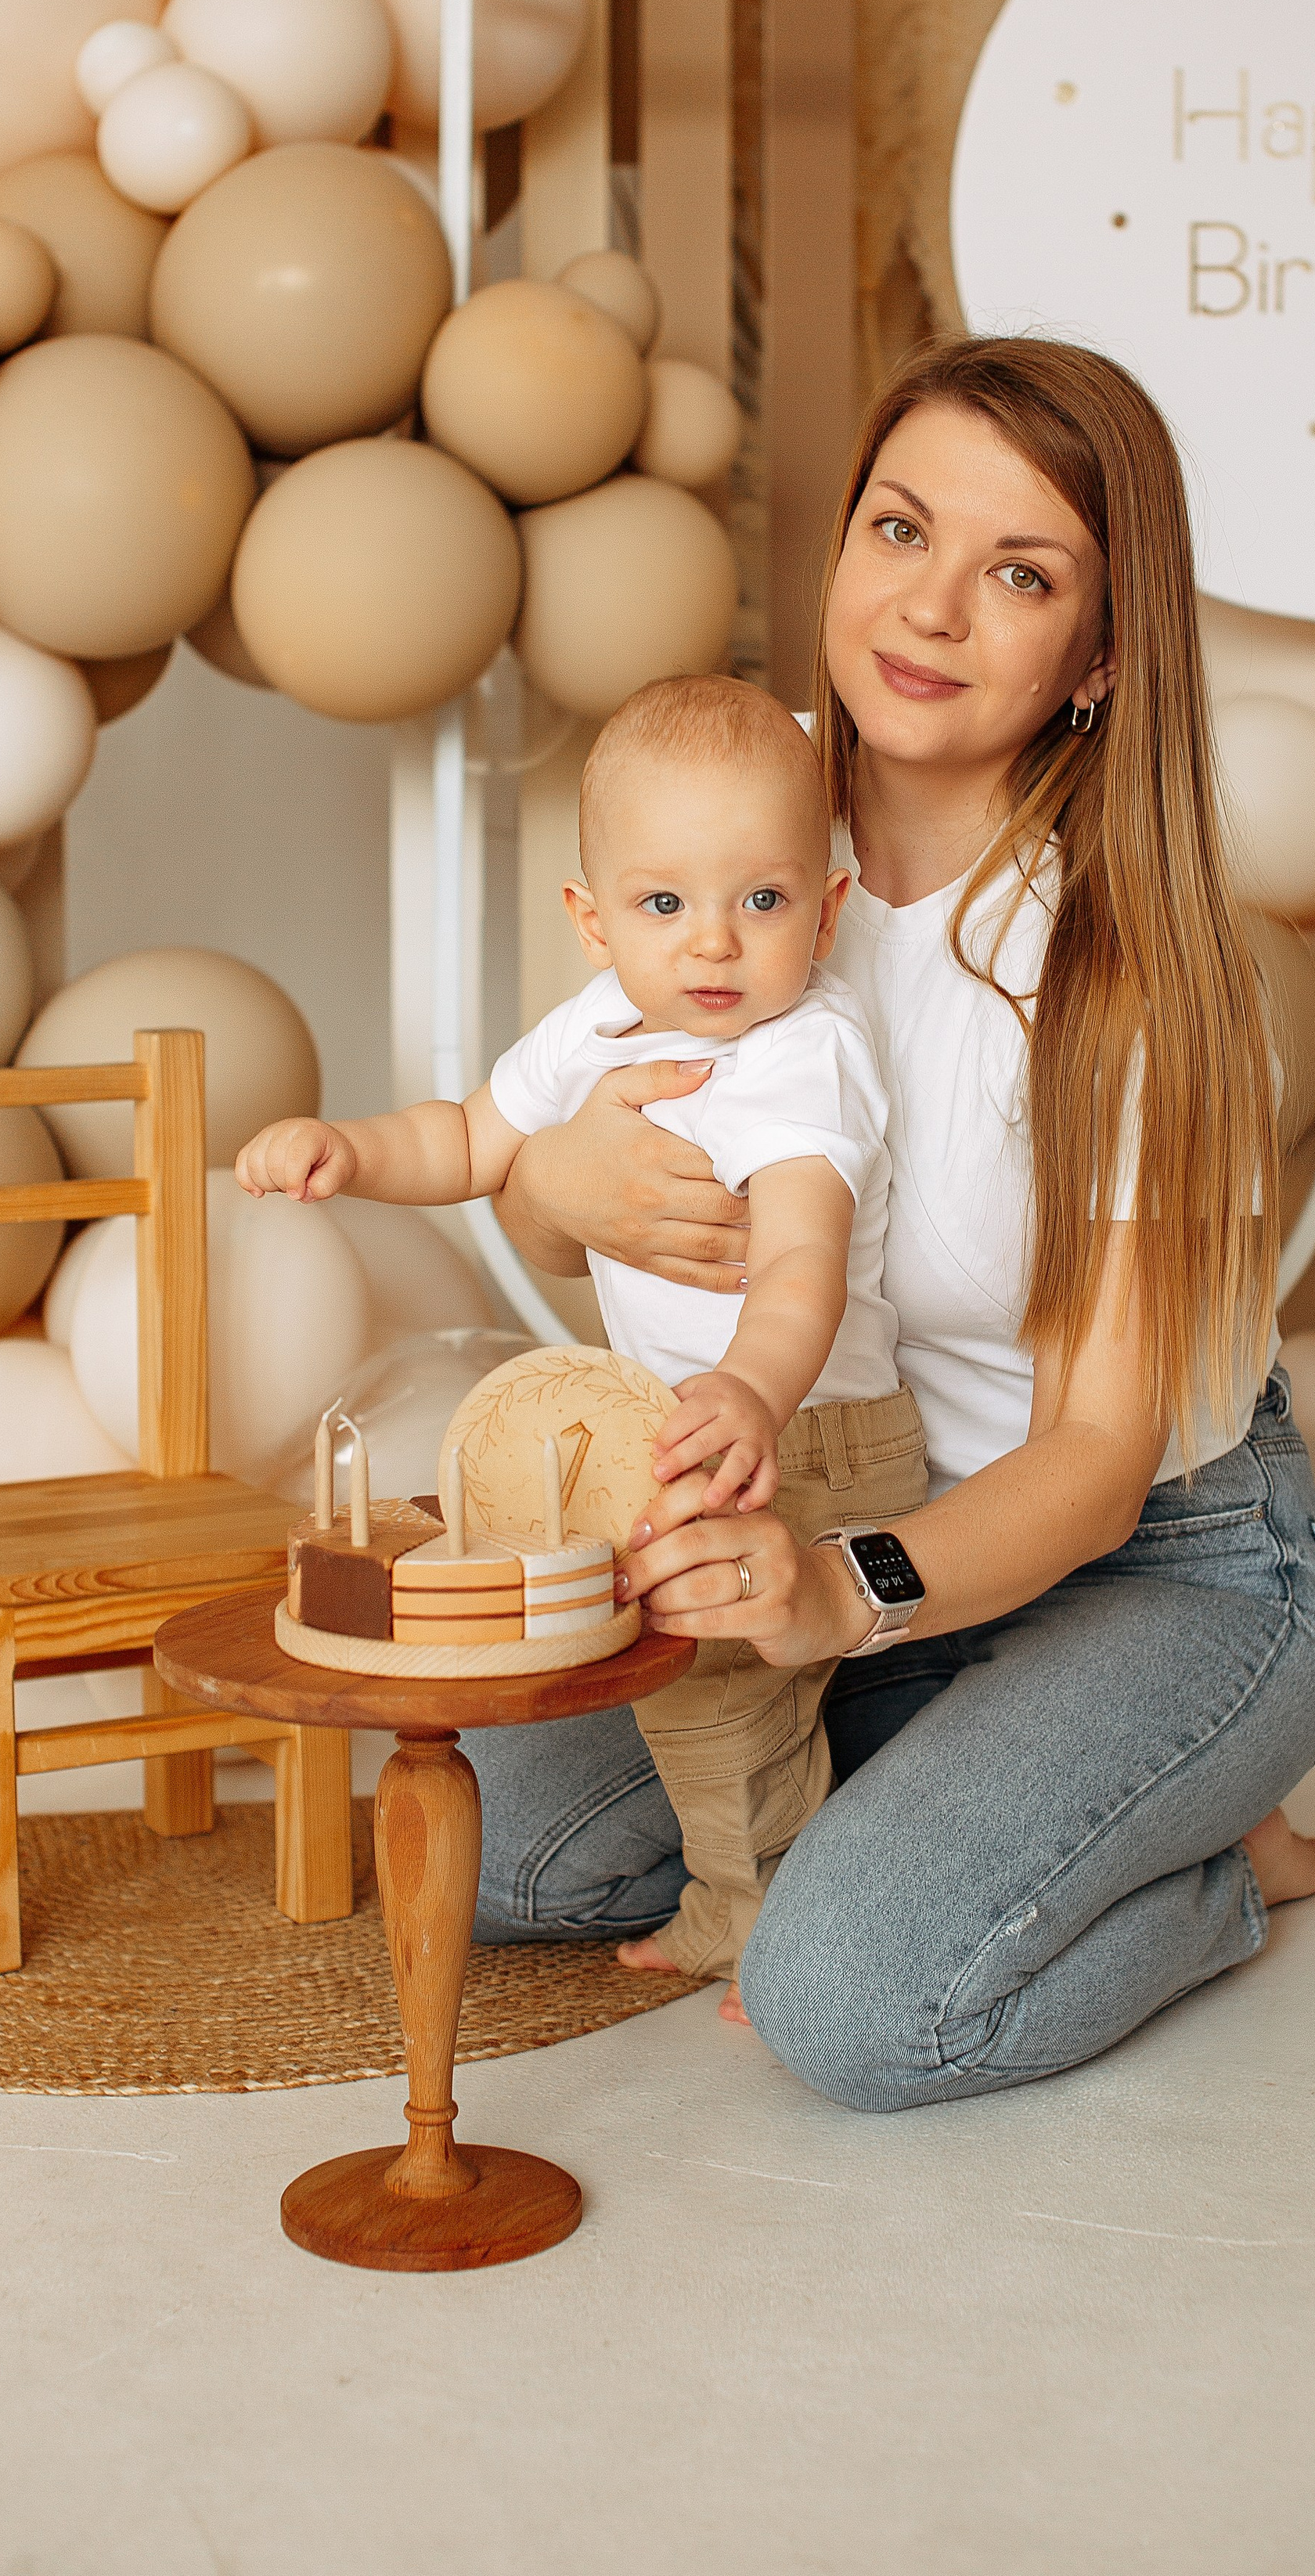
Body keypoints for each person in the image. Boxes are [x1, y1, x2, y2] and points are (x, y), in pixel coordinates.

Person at [470, 334, 1315, 2110]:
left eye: (1017, 574)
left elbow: (1103, 1457)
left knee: (855, 2004)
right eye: (897, 529)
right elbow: (591, 1165)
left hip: (1152, 1558)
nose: (929, 609)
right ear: (833, 549)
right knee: (524, 1862)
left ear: (1099, 656)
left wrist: (830, 1595)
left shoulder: (1136, 967)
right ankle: (982, 1768)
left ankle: (1202, 1863)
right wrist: (546, 1176)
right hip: (847, 1503)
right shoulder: (720, 806)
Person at [234, 671, 927, 1983]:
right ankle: (846, 1793)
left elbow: (799, 1270)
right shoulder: (596, 1029)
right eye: (666, 905)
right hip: (694, 1428)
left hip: (810, 1429)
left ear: (826, 908)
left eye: (762, 901)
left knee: (716, 1697)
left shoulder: (801, 1056)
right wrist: (349, 1149)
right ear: (594, 921)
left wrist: (750, 1395)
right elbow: (465, 1138)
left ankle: (757, 1916)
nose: (714, 946)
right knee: (661, 1668)